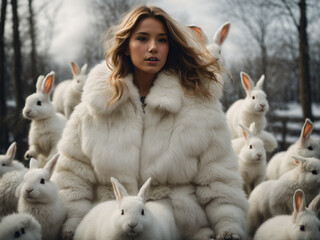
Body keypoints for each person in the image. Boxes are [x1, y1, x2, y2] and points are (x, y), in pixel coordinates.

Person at [52, 5, 248, 240]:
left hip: (179, 228)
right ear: (126, 46)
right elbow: (71, 178)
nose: (153, 47)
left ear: (170, 47)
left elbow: (221, 182)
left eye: (162, 40)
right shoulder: (94, 107)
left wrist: (229, 226)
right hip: (107, 227)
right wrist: (74, 224)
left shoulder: (201, 108)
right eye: (143, 38)